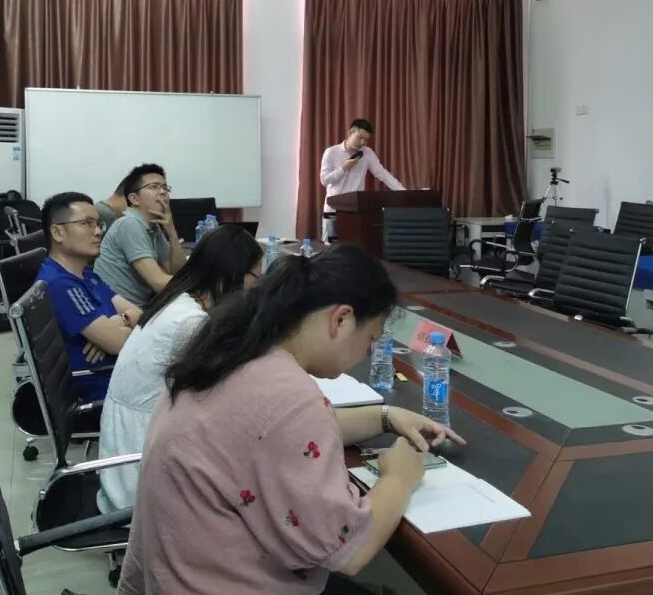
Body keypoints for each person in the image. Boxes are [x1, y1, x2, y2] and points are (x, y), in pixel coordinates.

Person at [118, 245, 465, 595]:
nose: (367, 353)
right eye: (370, 340)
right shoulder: (288, 397)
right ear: (341, 319)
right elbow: (349, 549)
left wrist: (386, 416)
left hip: (176, 576)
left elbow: (269, 435)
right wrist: (399, 477)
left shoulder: (234, 347)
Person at [97, 224, 264, 512]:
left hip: (132, 447)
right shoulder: (189, 323)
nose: (256, 288)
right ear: (232, 274)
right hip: (139, 474)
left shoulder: (179, 298)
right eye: (256, 277)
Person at [36, 192, 142, 402]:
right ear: (57, 232)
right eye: (87, 223)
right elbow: (118, 342)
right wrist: (112, 334)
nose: (98, 231)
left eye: (98, 224)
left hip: (122, 372)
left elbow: (139, 312)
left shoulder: (86, 274)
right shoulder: (60, 284)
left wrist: (116, 322)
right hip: (107, 388)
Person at [95, 164, 188, 306]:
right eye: (154, 187)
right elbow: (159, 283)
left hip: (140, 306)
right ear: (134, 199)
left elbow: (176, 271)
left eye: (165, 187)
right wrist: (200, 281)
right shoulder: (129, 224)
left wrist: (172, 232)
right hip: (118, 311)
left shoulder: (154, 226)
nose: (162, 192)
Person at [320, 119, 405, 243]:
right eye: (360, 138)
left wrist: (403, 192)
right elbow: (324, 180)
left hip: (355, 210)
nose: (362, 143)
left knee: (354, 247)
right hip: (333, 210)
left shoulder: (367, 153)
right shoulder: (331, 152)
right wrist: (344, 168)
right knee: (331, 247)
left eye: (366, 140)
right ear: (350, 132)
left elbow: (383, 174)